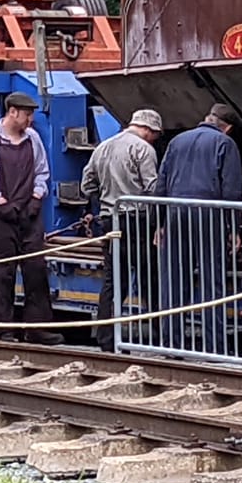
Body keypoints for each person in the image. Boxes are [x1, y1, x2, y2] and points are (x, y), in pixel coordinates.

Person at [152, 103, 242, 351]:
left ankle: (172, 344)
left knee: (173, 281)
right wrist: (234, 228)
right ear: (228, 128)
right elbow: (231, 190)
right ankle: (214, 347)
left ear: (208, 118)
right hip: (208, 216)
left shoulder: (177, 141)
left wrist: (159, 223)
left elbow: (161, 185)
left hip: (174, 216)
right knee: (211, 281)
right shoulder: (225, 144)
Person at [0, 90, 52, 336]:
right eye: (26, 115)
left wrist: (37, 197)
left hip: (30, 216)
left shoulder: (33, 139)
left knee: (36, 271)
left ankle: (39, 329)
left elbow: (42, 171)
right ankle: (3, 330)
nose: (30, 120)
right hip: (1, 218)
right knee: (2, 275)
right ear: (12, 112)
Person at [80, 108, 162, 336]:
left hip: (110, 221)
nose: (155, 140)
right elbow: (152, 188)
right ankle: (159, 334)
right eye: (156, 135)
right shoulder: (143, 149)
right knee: (149, 279)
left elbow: (86, 186)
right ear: (148, 130)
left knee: (113, 281)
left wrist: (104, 198)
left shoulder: (103, 147)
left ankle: (106, 337)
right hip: (138, 221)